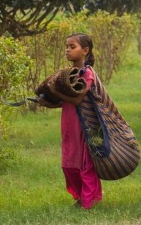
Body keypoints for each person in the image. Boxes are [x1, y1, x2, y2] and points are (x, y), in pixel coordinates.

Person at [38, 33, 102, 209]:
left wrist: (55, 91)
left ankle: (90, 202)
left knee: (85, 164)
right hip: (68, 125)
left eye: (72, 47)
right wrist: (48, 103)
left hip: (84, 126)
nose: (67, 50)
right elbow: (66, 102)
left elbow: (77, 100)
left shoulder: (87, 74)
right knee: (69, 165)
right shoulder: (69, 74)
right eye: (66, 46)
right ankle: (80, 197)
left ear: (85, 51)